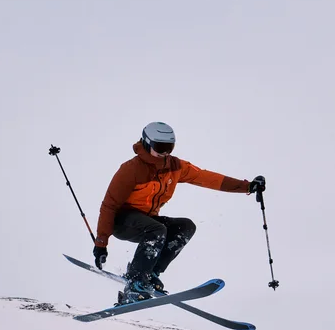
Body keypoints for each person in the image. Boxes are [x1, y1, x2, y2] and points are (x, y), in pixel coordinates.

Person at [92, 122, 265, 303]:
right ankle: (136, 282)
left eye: (169, 147)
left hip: (148, 222)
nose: (165, 152)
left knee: (185, 226)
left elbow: (207, 178)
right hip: (123, 222)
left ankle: (150, 273)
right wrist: (101, 242)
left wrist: (247, 186)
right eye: (160, 147)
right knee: (157, 229)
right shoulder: (131, 169)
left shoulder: (174, 167)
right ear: (146, 143)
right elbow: (109, 206)